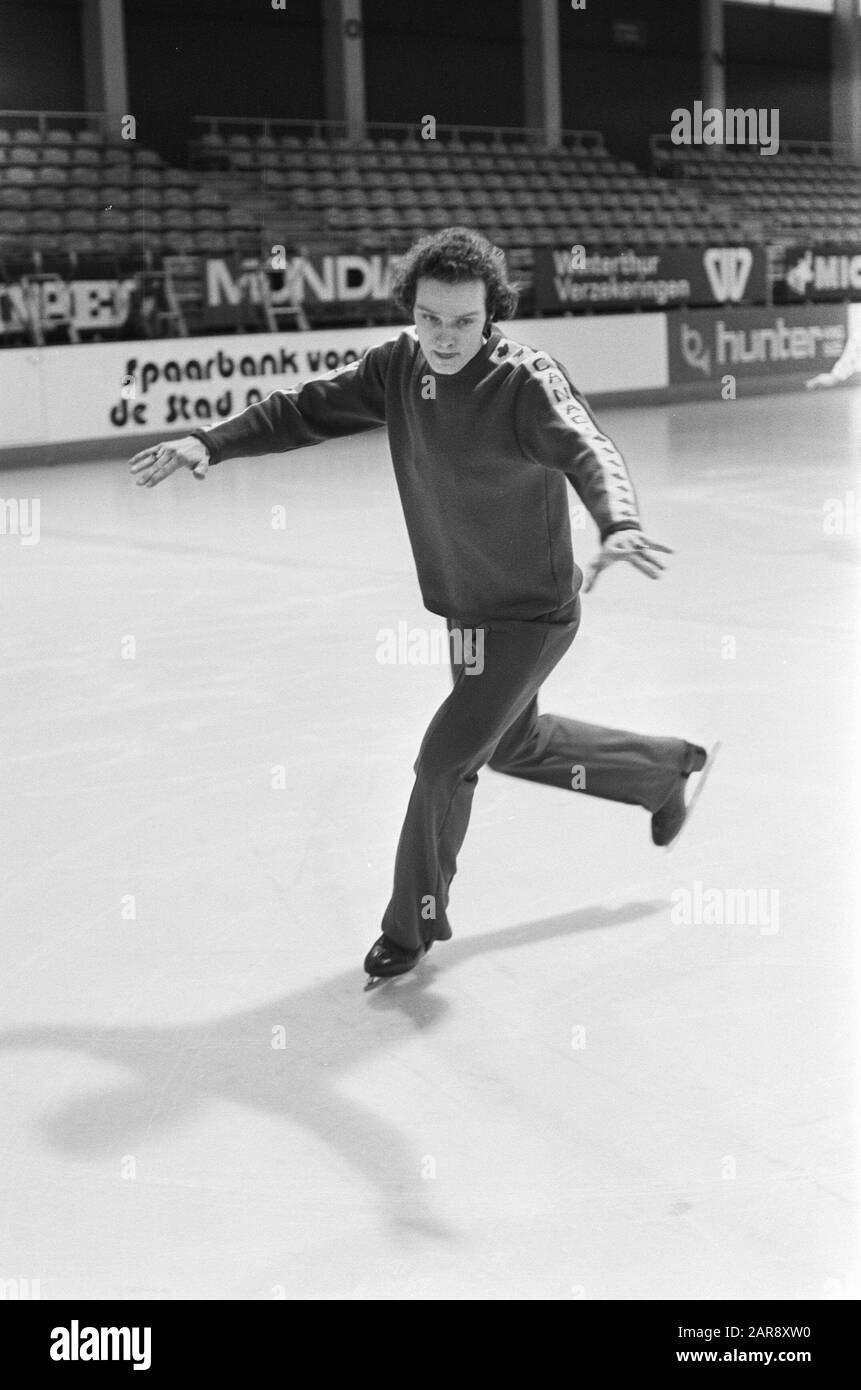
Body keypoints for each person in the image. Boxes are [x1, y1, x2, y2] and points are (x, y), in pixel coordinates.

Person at [129, 227, 711, 982]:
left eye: (463, 321)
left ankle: (412, 926)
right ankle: (662, 772)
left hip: (532, 616)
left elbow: (586, 447)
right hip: (464, 609)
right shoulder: (398, 367)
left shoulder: (524, 381)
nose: (444, 337)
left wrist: (619, 521)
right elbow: (303, 408)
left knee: (441, 765)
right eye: (429, 318)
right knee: (508, 744)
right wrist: (211, 442)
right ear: (412, 310)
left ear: (490, 315)